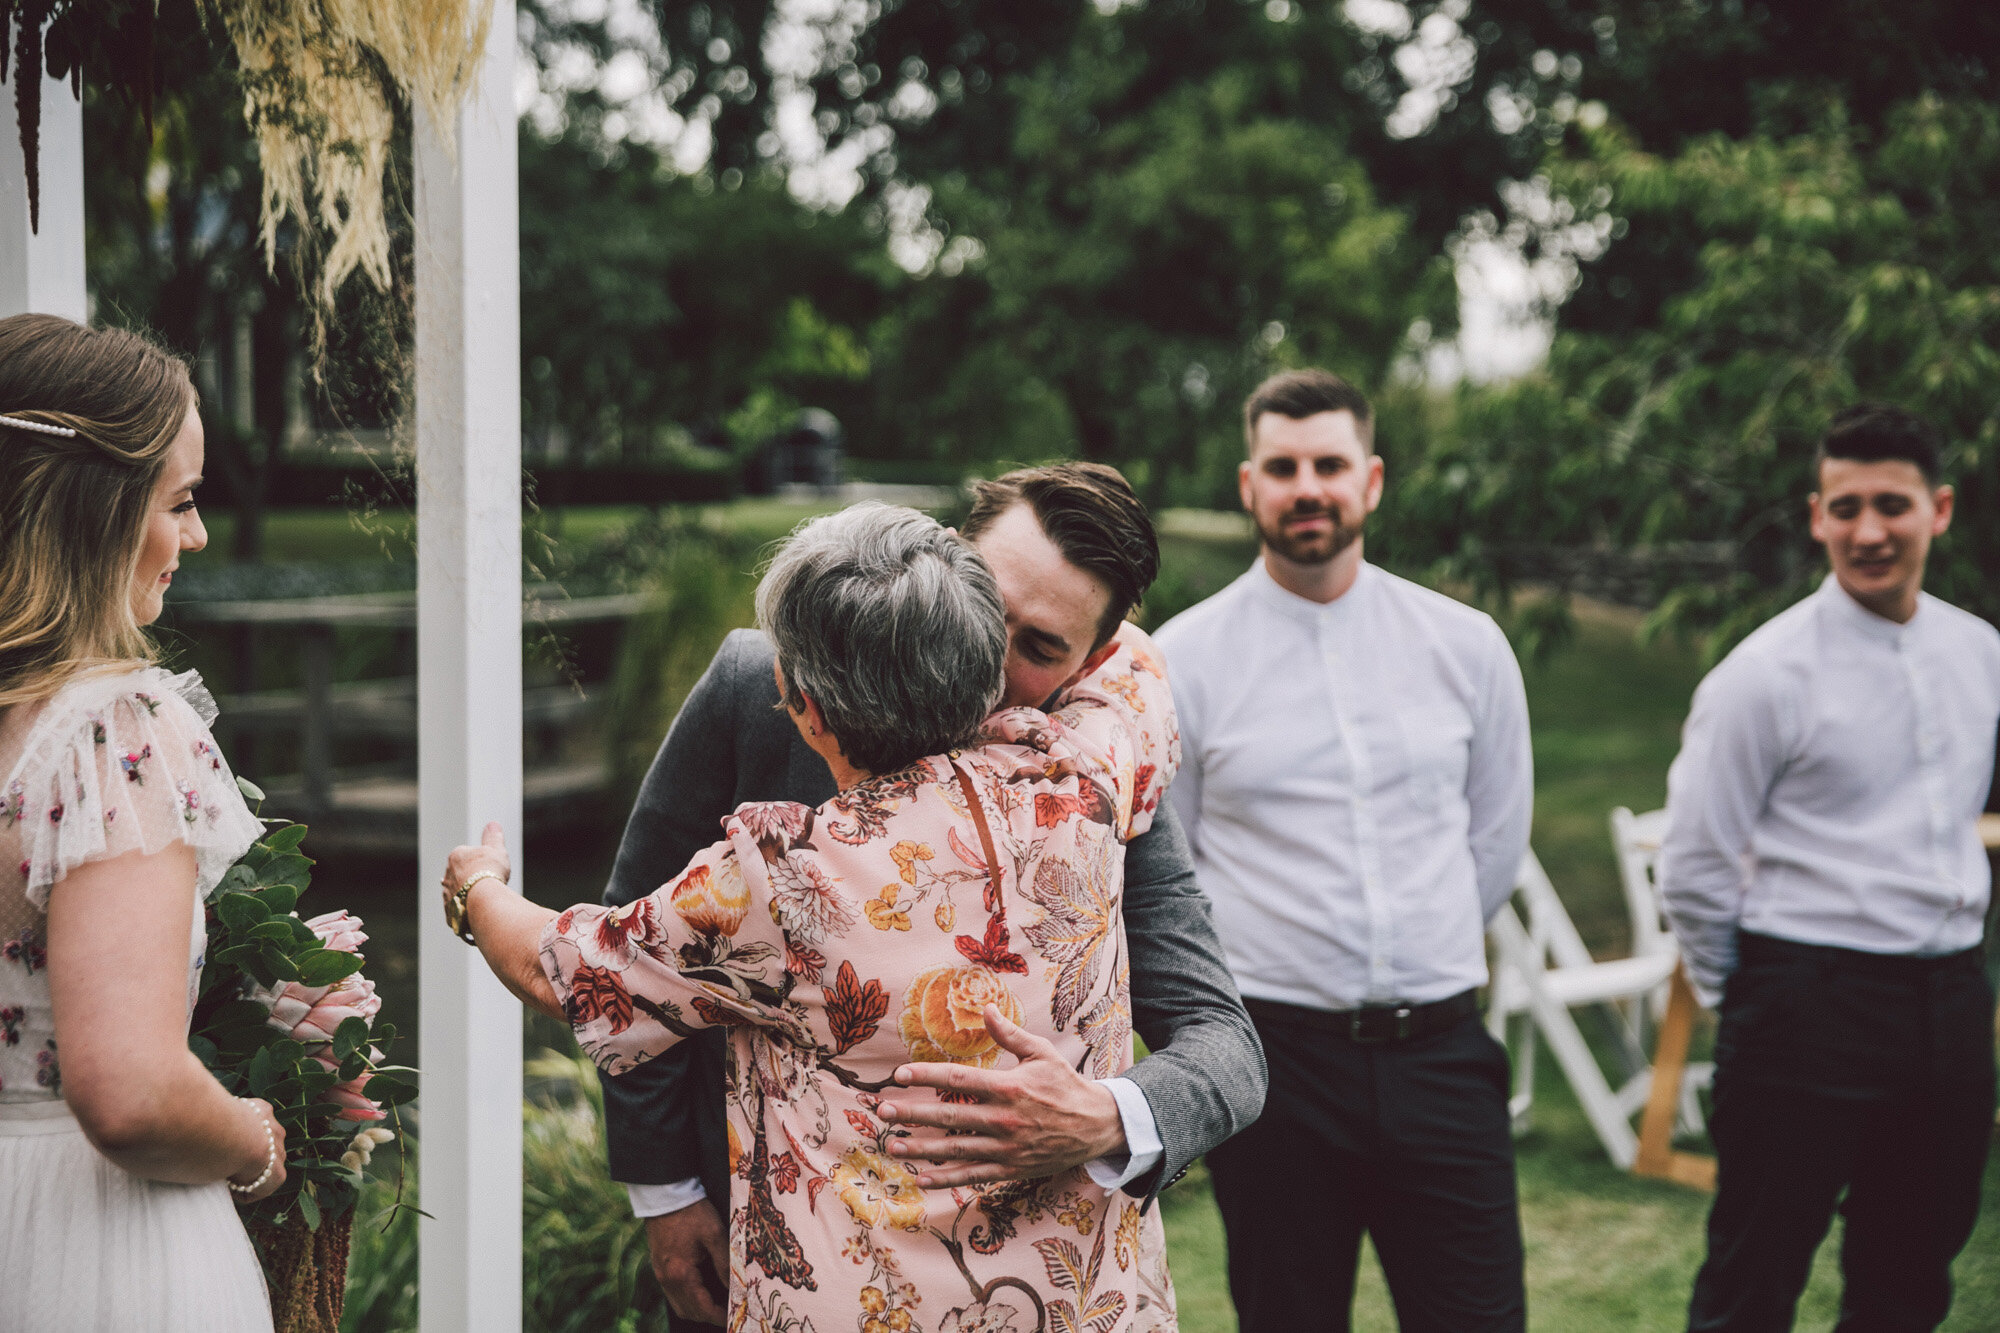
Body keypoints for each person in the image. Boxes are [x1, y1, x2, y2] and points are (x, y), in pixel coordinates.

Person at [442, 503, 1183, 1330]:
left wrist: (478, 889)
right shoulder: (1084, 780)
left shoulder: (782, 879)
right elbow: (1135, 672)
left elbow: (557, 970)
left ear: (804, 707)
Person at [602, 464, 1264, 1328]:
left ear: (1095, 661)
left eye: (1039, 647)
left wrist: (1105, 1115)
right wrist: (666, 1191)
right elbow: (632, 935)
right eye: (989, 604)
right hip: (771, 1256)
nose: (989, 659)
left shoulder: (1098, 778)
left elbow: (1224, 1041)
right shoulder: (758, 685)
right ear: (946, 557)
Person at [1155, 369, 1533, 1333]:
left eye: (1329, 464)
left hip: (1444, 1056)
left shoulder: (1468, 645)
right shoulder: (1181, 661)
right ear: (1250, 485)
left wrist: (1426, 945)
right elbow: (1172, 873)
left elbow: (1495, 839)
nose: (1307, 487)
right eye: (1283, 468)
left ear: (1371, 479)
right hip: (1278, 1069)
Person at [1661, 403, 2000, 1333]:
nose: (1868, 531)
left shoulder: (1981, 654)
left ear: (1939, 509)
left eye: (1892, 504)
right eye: (1845, 508)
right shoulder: (1764, 674)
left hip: (1949, 1002)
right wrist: (1753, 996)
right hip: (1803, 1005)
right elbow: (1693, 861)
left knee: (1909, 1283)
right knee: (1752, 1281)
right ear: (1817, 517)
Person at [0, 313, 285, 1329]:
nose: (195, 537)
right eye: (182, 501)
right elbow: (130, 1091)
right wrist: (257, 1141)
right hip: (81, 1242)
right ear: (96, 510)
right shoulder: (107, 732)